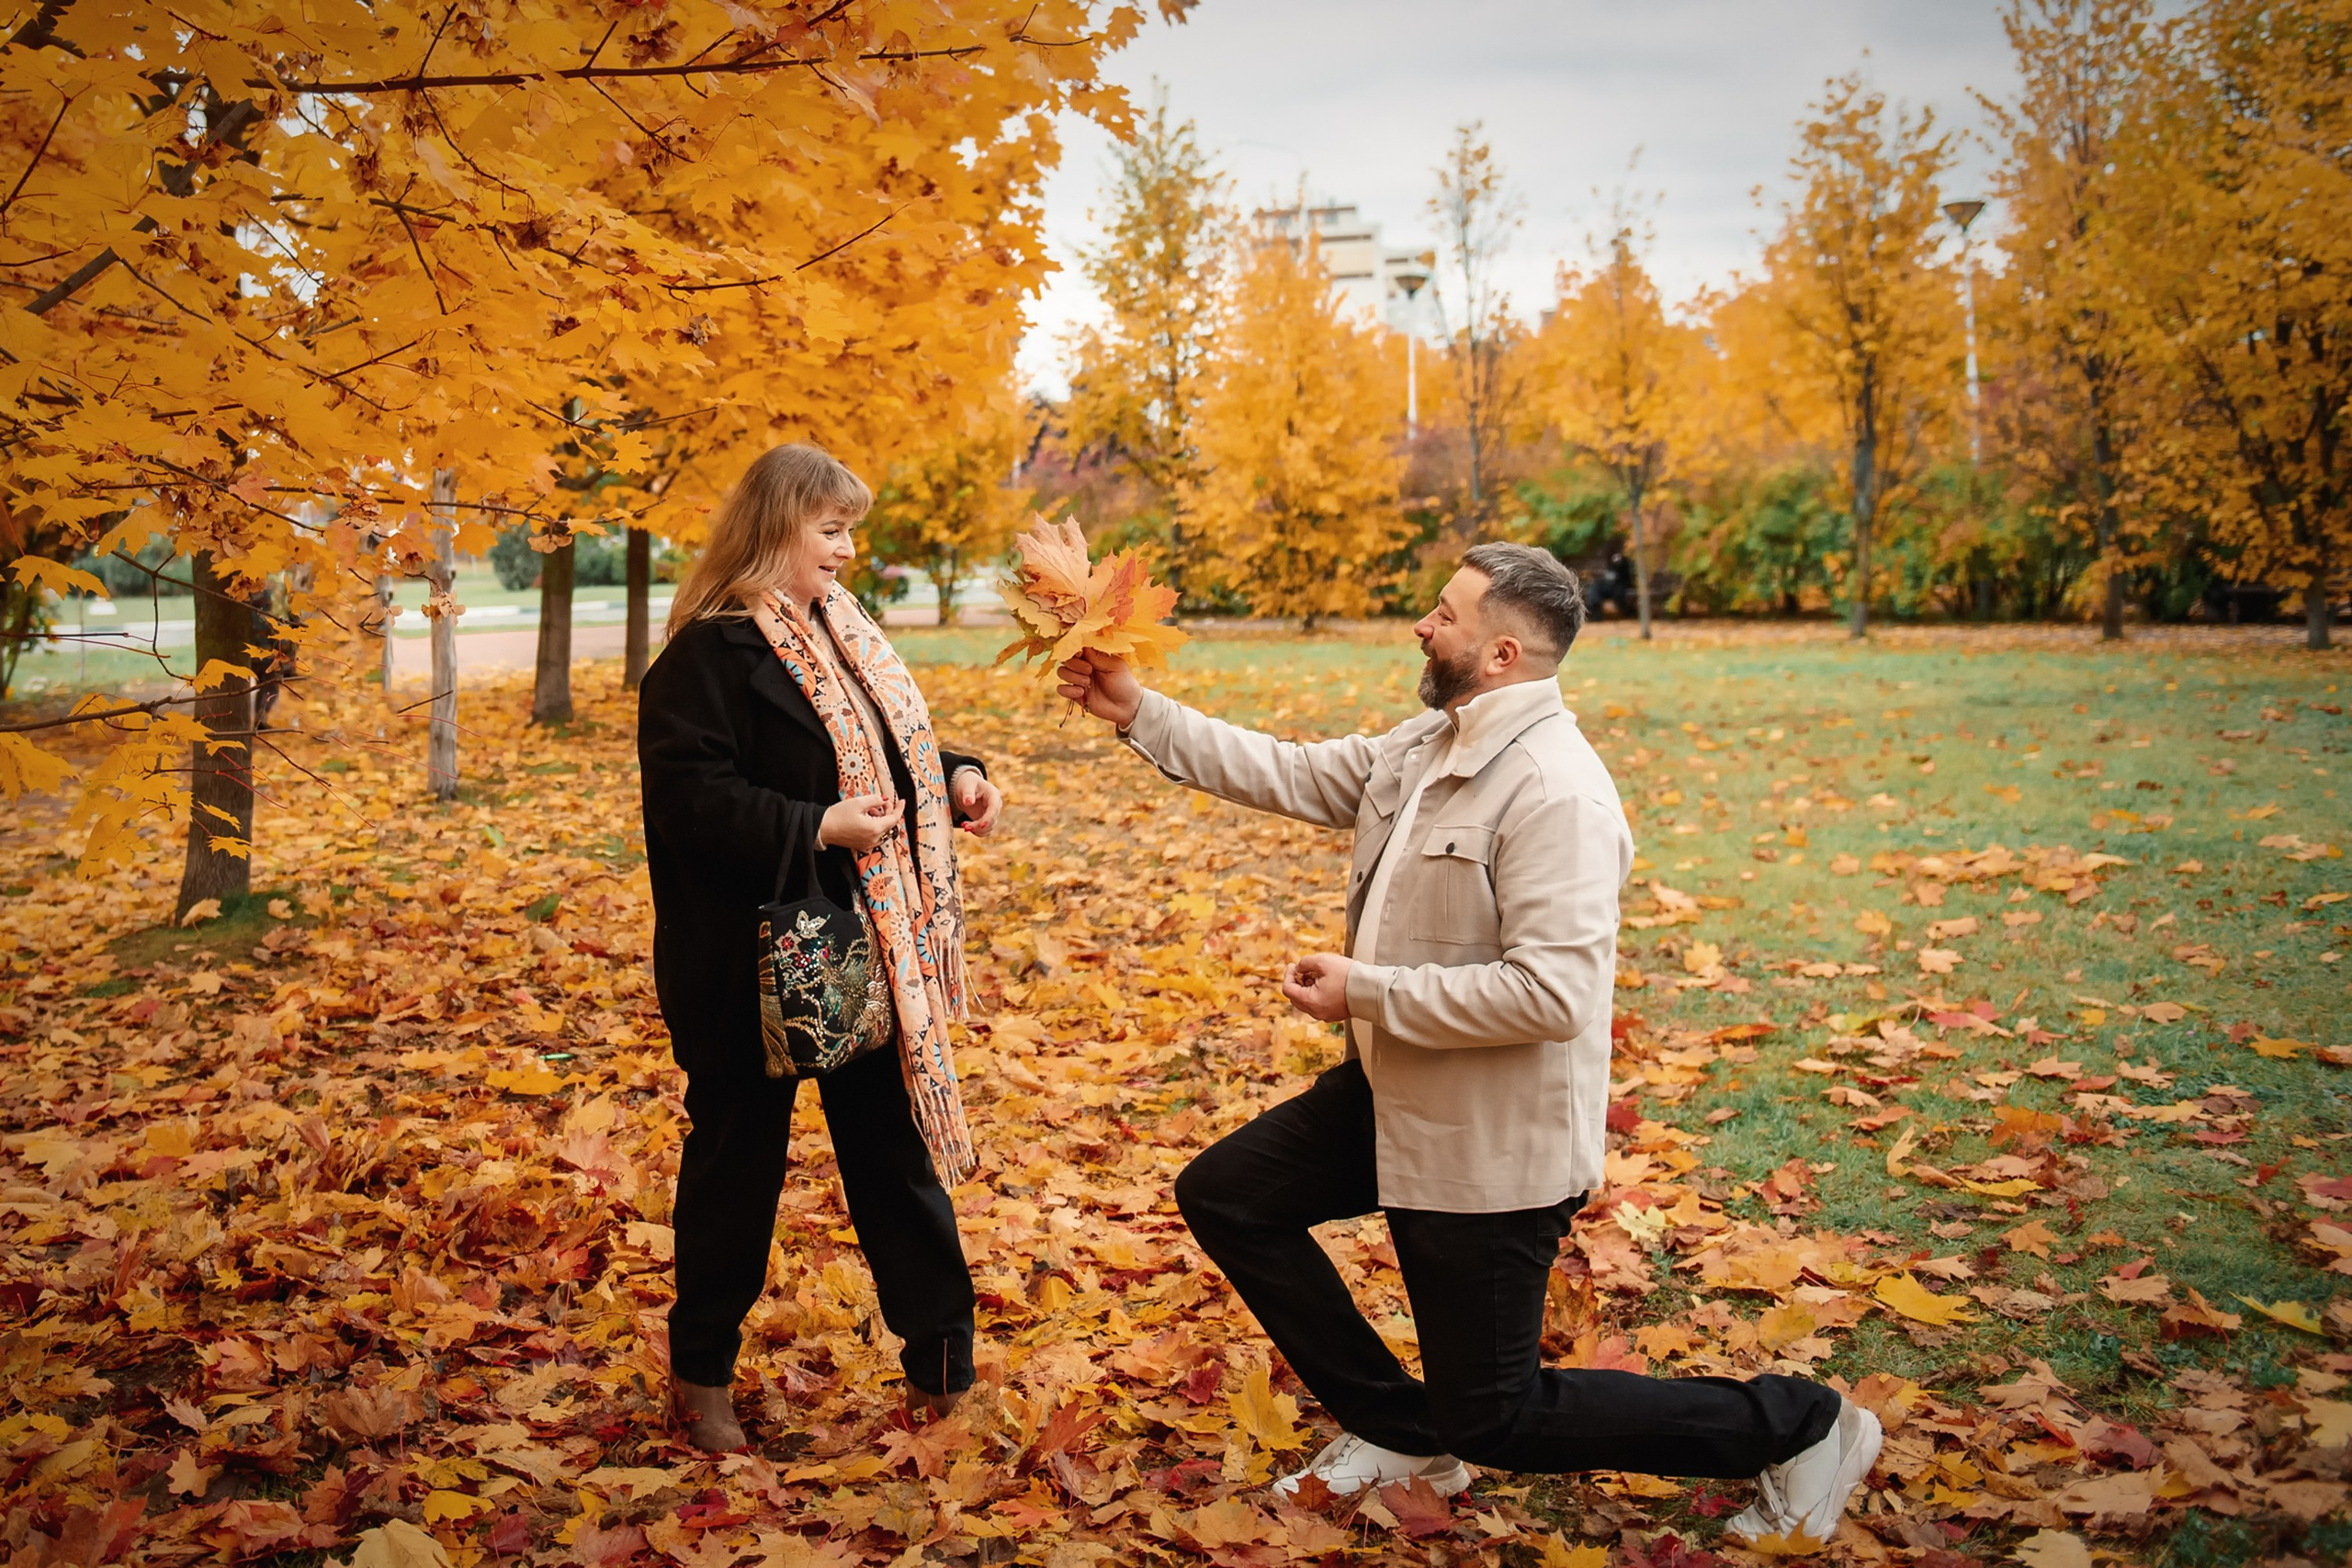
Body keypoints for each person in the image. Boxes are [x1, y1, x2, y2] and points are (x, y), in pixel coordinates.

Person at [1056, 543, 1880, 1545]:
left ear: (1497, 653)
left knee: (1498, 1413)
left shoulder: (1554, 791)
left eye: (1440, 615)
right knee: (1230, 1195)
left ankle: (1802, 1425)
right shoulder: (1425, 747)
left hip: (1491, 1145)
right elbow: (1294, 771)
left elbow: (1553, 993)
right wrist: (1137, 709)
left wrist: (1369, 989)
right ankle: (1402, 1432)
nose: (1421, 625)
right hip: (1394, 1095)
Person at [638, 443, 1004, 1452]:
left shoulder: (843, 634)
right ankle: (699, 1378)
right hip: (751, 962)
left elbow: (893, 749)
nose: (848, 552)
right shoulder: (707, 655)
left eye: (851, 530)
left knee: (894, 1162)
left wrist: (959, 777)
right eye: (831, 531)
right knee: (735, 1172)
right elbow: (687, 801)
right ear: (774, 533)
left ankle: (940, 1372)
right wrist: (816, 826)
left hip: (861, 947)